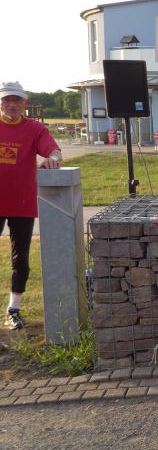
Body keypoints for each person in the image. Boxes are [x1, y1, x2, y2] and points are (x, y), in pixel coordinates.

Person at [0, 81, 61, 330]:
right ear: (1, 102)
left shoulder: (34, 128)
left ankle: (13, 310)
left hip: (22, 202)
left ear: (25, 103)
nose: (12, 105)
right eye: (7, 100)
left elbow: (53, 150)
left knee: (21, 258)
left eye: (17, 100)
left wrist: (53, 158)